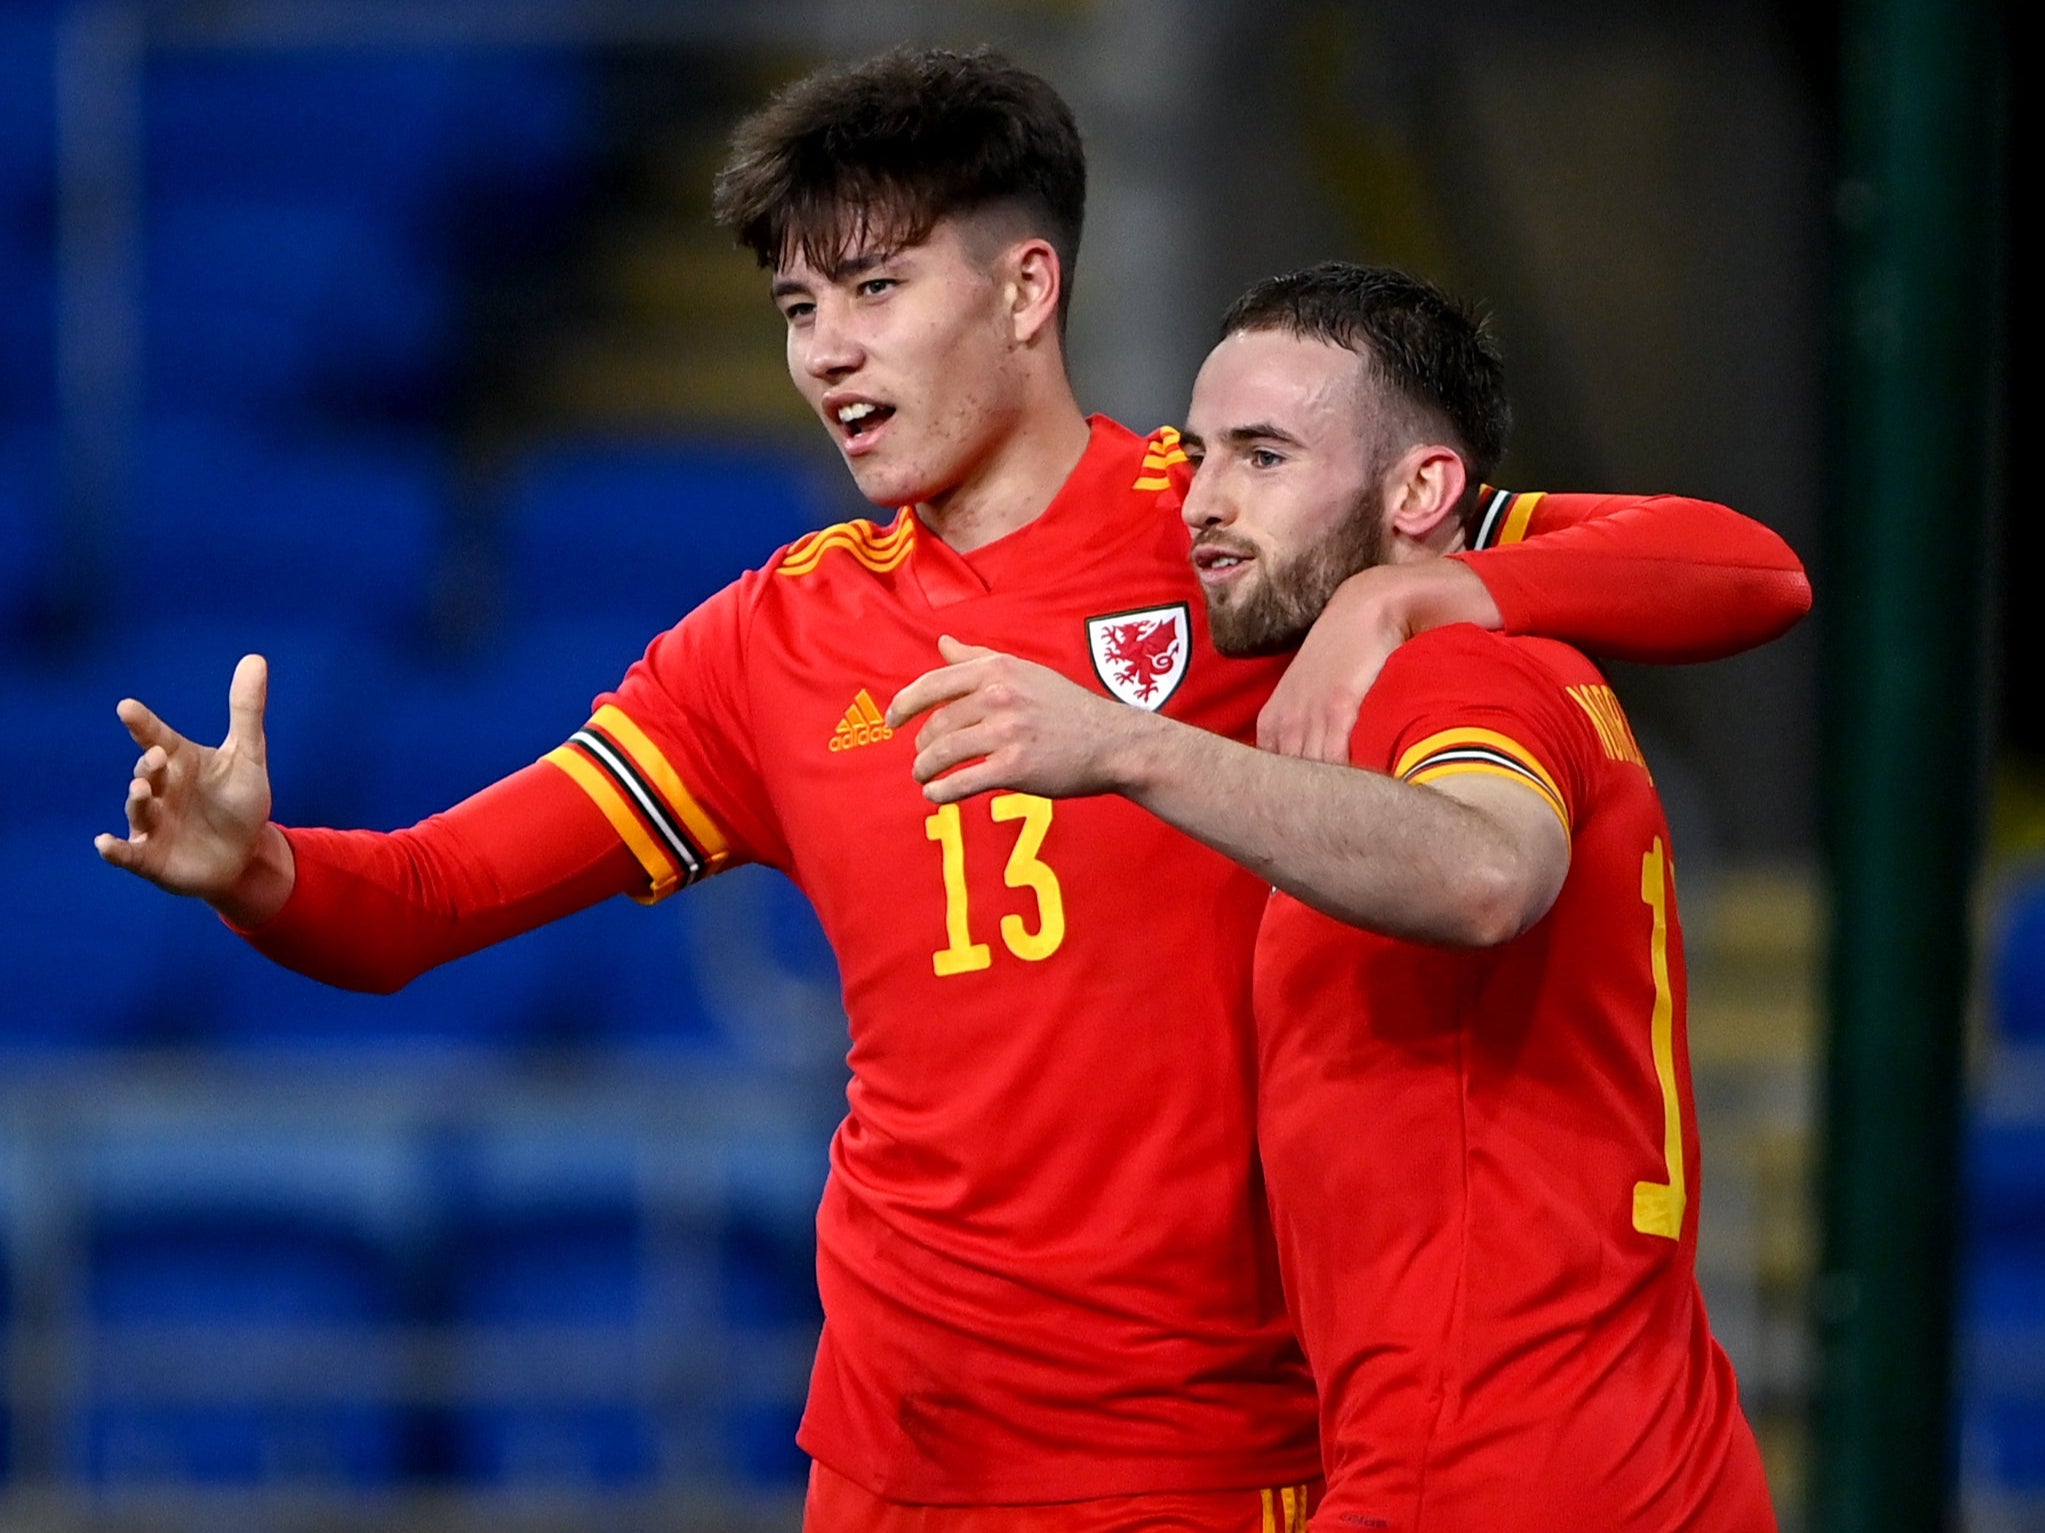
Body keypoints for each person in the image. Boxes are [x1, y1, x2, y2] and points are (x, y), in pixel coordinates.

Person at [97, 50, 1804, 1531]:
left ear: (1025, 290)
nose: (830, 351)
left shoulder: (1243, 532)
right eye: (795, 307)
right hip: (894, 1444)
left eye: (875, 288)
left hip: (1203, 1452)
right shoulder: (770, 637)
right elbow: (423, 903)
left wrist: (1429, 588)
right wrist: (261, 869)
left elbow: (1740, 570)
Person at [889, 261, 1780, 1531]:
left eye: (1260, 457)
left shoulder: (1453, 677)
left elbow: (1483, 871)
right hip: (1644, 1452)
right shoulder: (1482, 643)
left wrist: (1132, 747)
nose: (1197, 502)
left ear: (1421, 491)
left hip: (1480, 1474)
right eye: (1197, 455)